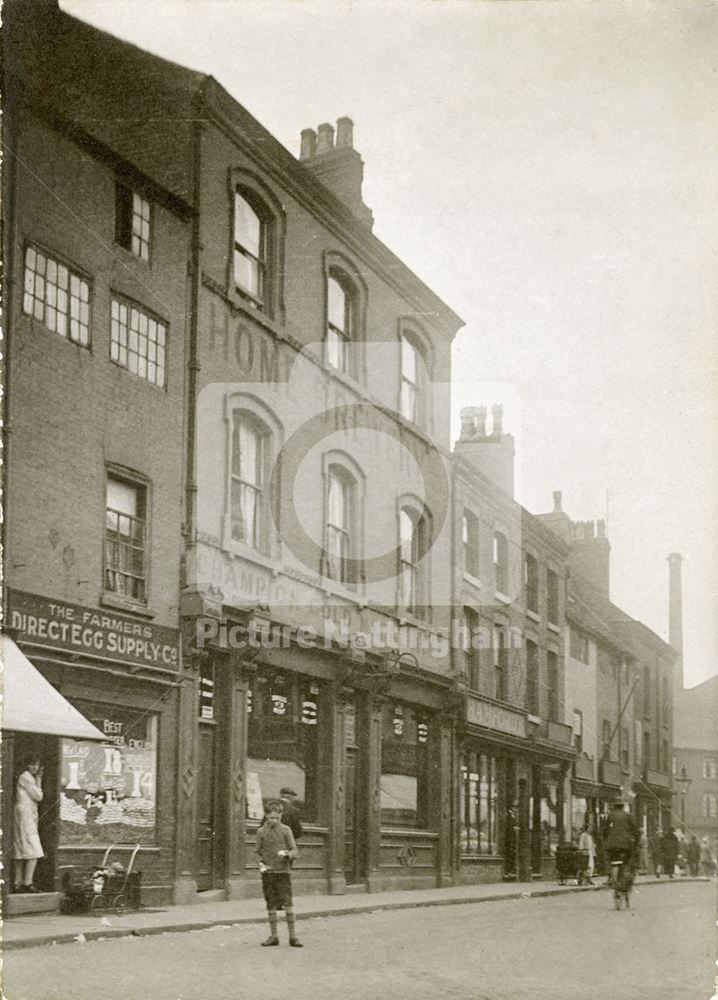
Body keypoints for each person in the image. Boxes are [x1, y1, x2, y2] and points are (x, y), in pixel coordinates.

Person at [255, 800, 302, 948]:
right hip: (268, 873)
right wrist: (261, 864)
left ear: (281, 816)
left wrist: (288, 854)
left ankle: (293, 937)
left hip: (283, 873)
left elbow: (295, 850)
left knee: (288, 904)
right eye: (271, 818)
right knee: (271, 905)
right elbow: (257, 852)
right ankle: (274, 936)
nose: (274, 820)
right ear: (266, 816)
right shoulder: (261, 832)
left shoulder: (286, 830)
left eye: (277, 817)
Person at [13, 756, 45, 893]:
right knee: (35, 850)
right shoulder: (25, 777)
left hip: (25, 816)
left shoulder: (27, 777)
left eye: (37, 765)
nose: (34, 767)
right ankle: (27, 882)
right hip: (24, 816)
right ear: (27, 765)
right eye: (32, 764)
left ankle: (18, 882)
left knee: (21, 849)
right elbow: (38, 796)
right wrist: (39, 780)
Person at [602, 799, 639, 881]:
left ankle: (610, 878)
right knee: (628, 861)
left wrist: (605, 840)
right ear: (623, 806)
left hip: (612, 845)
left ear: (614, 806)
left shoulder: (610, 815)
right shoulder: (628, 815)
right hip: (626, 845)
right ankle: (626, 875)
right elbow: (635, 830)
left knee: (610, 860)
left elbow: (605, 830)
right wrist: (636, 842)